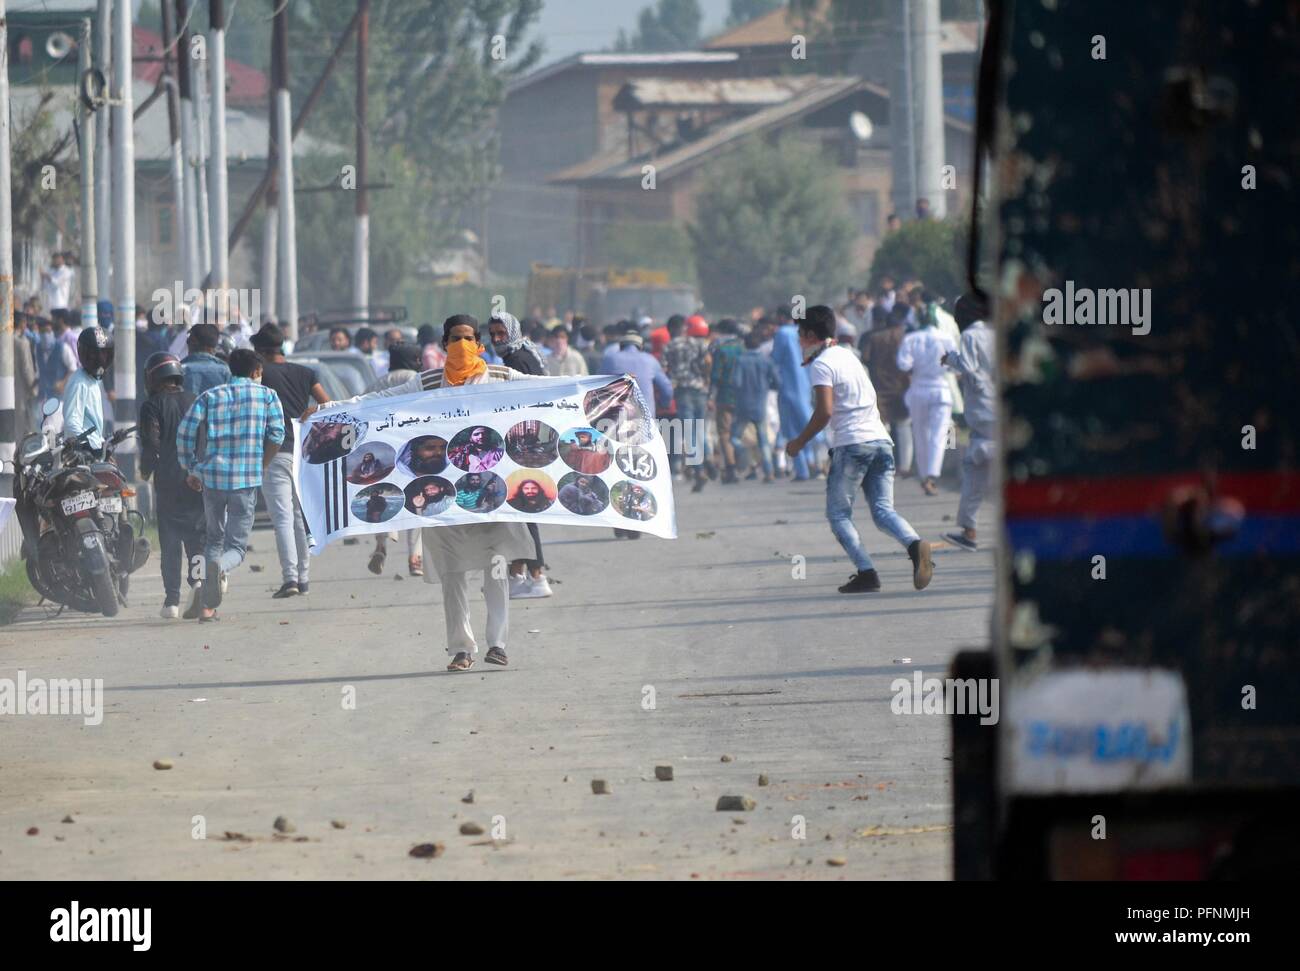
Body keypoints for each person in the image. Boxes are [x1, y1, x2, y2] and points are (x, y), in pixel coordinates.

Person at [305, 314, 539, 671]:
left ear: (478, 344)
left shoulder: (501, 378)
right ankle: (461, 648)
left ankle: (498, 643)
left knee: (495, 566)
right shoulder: (427, 382)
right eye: (454, 338)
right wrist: (328, 410)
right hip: (441, 494)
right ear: (444, 345)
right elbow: (376, 401)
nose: (461, 345)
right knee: (453, 573)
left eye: (467, 338)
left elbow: (546, 387)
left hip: (490, 490)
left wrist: (607, 384)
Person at [784, 305, 933, 594]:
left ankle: (866, 572)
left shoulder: (822, 364)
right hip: (880, 440)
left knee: (838, 514)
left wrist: (799, 443)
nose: (798, 339)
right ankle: (916, 546)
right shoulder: (849, 357)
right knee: (882, 510)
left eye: (801, 334)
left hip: (852, 445)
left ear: (811, 335)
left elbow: (824, 411)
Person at [177, 348, 286, 622]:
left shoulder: (210, 396)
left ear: (230, 370)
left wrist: (191, 467)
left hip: (212, 479)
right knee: (235, 547)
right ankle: (219, 569)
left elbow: (185, 432)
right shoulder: (268, 396)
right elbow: (277, 434)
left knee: (213, 538)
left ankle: (207, 607)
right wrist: (262, 464)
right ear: (256, 372)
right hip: (245, 481)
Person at [253, 323, 329, 598]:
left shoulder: (261, 376)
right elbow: (328, 404)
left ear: (260, 351)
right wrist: (313, 409)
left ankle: (290, 579)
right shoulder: (306, 373)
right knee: (299, 515)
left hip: (274, 452)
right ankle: (304, 577)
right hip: (303, 452)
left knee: (282, 517)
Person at [487, 311, 553, 598]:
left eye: (502, 334)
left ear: (512, 332)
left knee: (523, 509)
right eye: (493, 335)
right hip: (529, 440)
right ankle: (518, 575)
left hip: (524, 443)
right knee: (518, 510)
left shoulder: (517, 361)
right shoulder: (524, 353)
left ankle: (537, 576)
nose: (497, 339)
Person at [138, 353, 206, 619]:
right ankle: (199, 583)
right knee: (198, 538)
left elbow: (152, 445)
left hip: (168, 482)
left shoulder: (152, 405)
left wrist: (145, 470)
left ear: (153, 378)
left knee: (170, 541)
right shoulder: (196, 400)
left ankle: (172, 602)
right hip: (198, 479)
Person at [942, 293, 996, 552]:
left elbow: (968, 367)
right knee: (977, 466)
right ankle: (969, 529)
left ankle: (970, 530)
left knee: (977, 467)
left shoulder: (971, 336)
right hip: (1001, 409)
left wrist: (950, 358)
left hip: (984, 412)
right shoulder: (999, 333)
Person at [365, 342, 424, 576]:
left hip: (385, 447)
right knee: (418, 501)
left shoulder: (379, 383)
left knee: (384, 497)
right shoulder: (419, 380)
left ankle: (381, 543)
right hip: (413, 449)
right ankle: (415, 557)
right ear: (414, 360)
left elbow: (361, 409)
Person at [896, 300, 958, 496]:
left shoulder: (911, 338)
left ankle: (924, 475)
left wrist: (918, 366)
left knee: (920, 435)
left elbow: (903, 364)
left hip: (918, 390)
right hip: (941, 388)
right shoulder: (946, 338)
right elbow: (956, 364)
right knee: (939, 435)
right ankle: (931, 475)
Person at [861, 301, 914, 477]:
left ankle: (884, 465)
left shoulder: (874, 338)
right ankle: (905, 467)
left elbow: (865, 360)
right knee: (903, 426)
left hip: (880, 386)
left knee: (882, 428)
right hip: (902, 387)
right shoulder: (905, 336)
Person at [770, 306, 821, 481]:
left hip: (788, 385)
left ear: (782, 317)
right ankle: (814, 461)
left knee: (791, 427)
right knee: (808, 424)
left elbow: (774, 359)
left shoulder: (783, 333)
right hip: (805, 383)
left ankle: (803, 470)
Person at [662, 314, 712, 490]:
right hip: (700, 389)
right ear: (684, 327)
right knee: (700, 429)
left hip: (682, 391)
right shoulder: (698, 343)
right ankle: (708, 458)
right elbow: (708, 362)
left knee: (690, 432)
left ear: (670, 330)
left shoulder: (669, 346)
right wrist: (705, 379)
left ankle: (699, 471)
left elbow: (664, 369)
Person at [730, 330, 780, 482]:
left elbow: (736, 382)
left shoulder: (740, 360)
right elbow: (777, 382)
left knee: (734, 437)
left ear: (745, 344)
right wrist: (765, 386)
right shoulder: (766, 360)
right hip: (760, 405)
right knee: (763, 439)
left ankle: (744, 453)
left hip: (743, 405)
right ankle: (769, 471)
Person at [61, 327, 113, 453]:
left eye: (104, 354)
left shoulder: (93, 381)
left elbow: (92, 424)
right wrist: (86, 447)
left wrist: (105, 441)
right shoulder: (79, 382)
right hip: (82, 454)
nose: (101, 359)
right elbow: (72, 422)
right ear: (85, 354)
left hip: (94, 450)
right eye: (95, 354)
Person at [709, 319, 744, 483]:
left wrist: (711, 398)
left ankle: (731, 468)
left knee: (724, 432)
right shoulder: (743, 348)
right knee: (741, 431)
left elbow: (715, 376)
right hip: (743, 395)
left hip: (725, 395)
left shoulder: (721, 350)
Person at [181, 323, 232, 396]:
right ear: (214, 345)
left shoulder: (180, 370)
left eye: (188, 340)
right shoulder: (226, 371)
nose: (187, 343)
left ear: (193, 342)